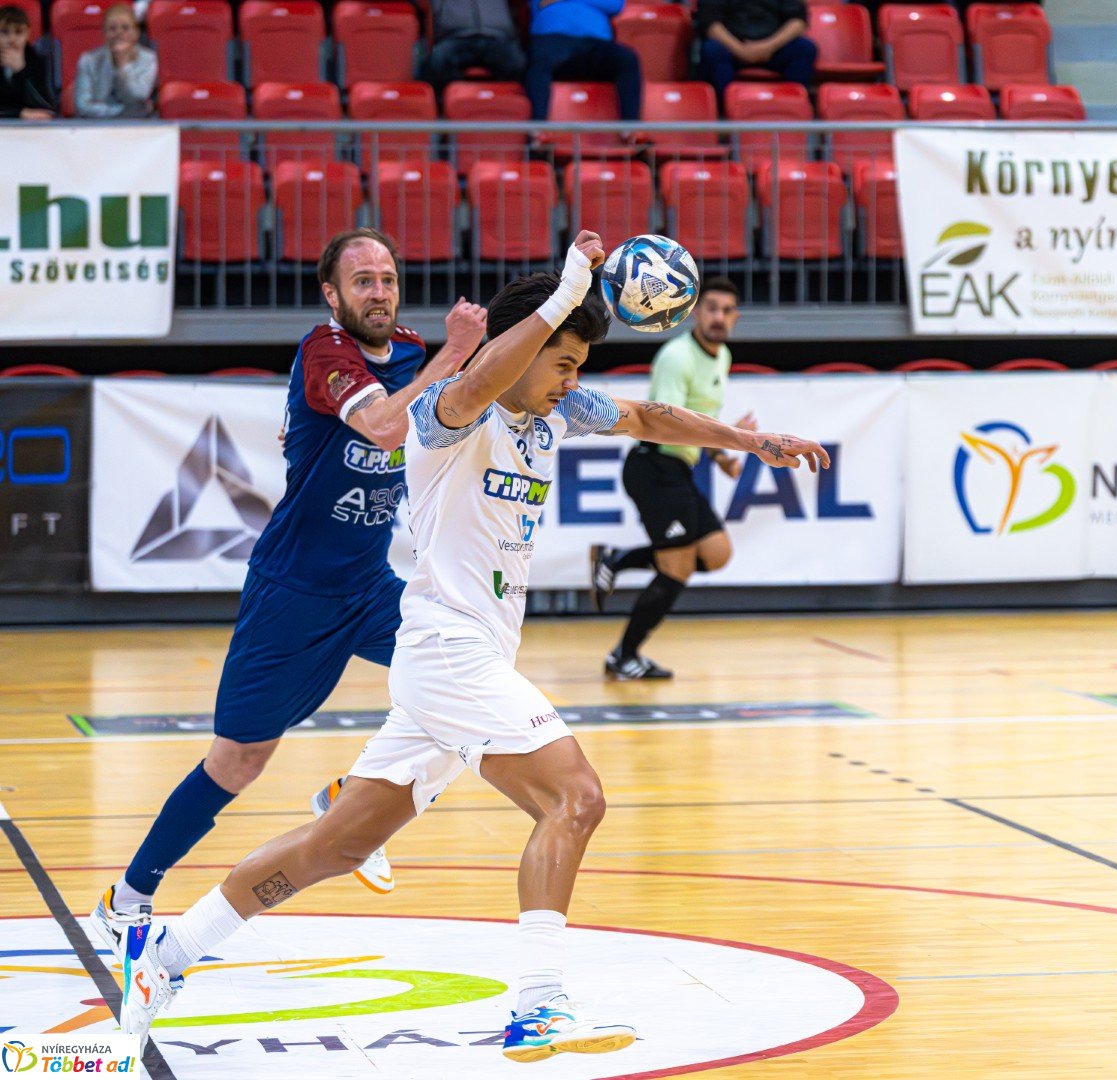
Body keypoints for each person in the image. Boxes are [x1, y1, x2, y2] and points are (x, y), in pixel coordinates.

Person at [119, 232, 829, 1061]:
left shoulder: (555, 408)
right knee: (576, 799)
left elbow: (647, 414)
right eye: (562, 359)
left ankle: (163, 962)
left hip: (462, 660)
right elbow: (482, 377)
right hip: (450, 651)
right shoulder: (446, 412)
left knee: (335, 845)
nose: (573, 378)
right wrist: (558, 300)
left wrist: (752, 442)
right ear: (519, 346)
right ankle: (540, 1004)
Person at [91, 229, 488, 955]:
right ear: (332, 295)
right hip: (293, 592)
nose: (379, 290)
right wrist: (456, 353)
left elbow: (456, 409)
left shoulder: (408, 351)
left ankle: (350, 803)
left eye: (389, 278)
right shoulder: (325, 353)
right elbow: (384, 423)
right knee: (237, 762)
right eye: (362, 280)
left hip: (368, 584)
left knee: (466, 677)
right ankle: (127, 897)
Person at [591, 276, 750, 680]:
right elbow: (666, 424)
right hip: (654, 466)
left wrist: (719, 457)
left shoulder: (722, 356)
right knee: (676, 567)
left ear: (736, 317)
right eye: (711, 307)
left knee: (716, 553)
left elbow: (696, 422)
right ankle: (624, 656)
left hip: (678, 468)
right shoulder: (677, 357)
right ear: (695, 312)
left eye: (727, 310)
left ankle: (617, 559)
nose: (719, 317)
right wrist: (731, 437)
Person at [525, 0, 642, 122]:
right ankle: (537, 130)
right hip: (553, 39)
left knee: (627, 59)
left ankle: (631, 130)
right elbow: (541, 3)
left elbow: (615, 5)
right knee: (539, 59)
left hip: (596, 44)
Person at [694, 0, 815, 98]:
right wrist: (740, 50)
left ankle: (792, 106)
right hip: (731, 46)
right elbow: (709, 23)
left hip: (773, 47)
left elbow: (798, 21)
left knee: (804, 49)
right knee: (711, 50)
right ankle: (723, 112)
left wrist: (767, 47)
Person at [419, 0, 526, 93]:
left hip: (496, 37)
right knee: (436, 61)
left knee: (518, 62)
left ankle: (499, 99)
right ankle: (454, 99)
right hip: (456, 37)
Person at [74, 2, 157, 117]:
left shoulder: (148, 59)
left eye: (125, 28)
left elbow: (137, 97)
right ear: (104, 33)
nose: (119, 33)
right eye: (112, 28)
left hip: (136, 126)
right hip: (96, 126)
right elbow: (83, 107)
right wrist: (120, 111)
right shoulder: (88, 61)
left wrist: (122, 65)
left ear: (136, 33)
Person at [0, 5, 54, 119]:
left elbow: (46, 107)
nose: (12, 39)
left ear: (28, 33)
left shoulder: (37, 61)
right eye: (5, 32)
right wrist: (19, 113)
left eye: (19, 32)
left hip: (30, 131)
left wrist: (22, 71)